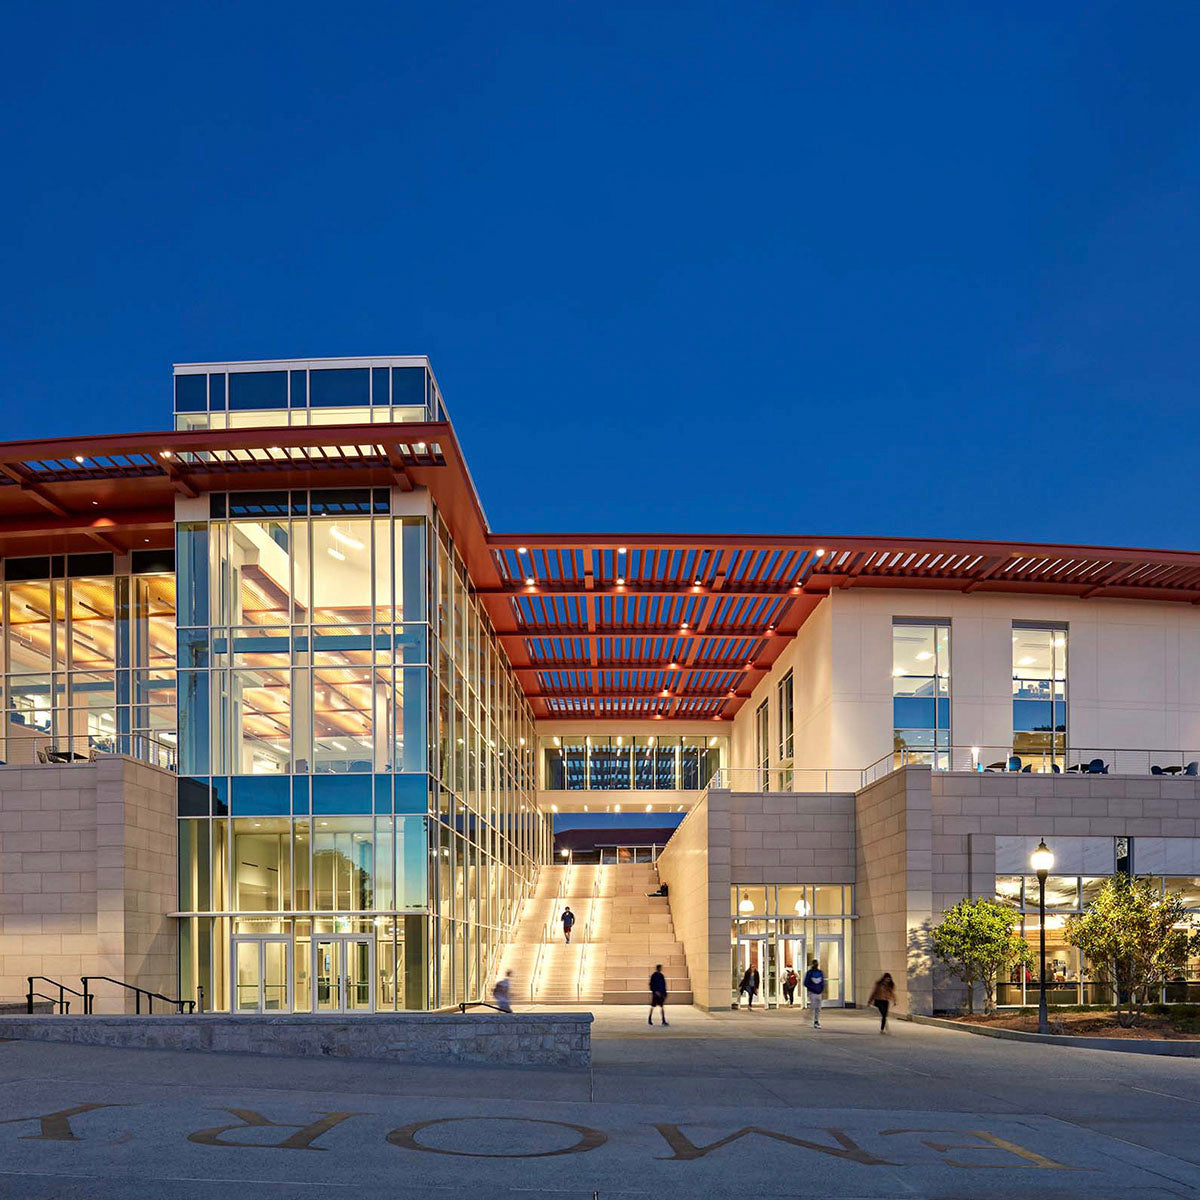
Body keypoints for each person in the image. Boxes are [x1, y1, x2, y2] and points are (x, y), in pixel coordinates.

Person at [803, 958, 826, 1027]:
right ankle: (809, 1018)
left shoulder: (820, 972)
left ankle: (816, 1021)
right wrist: (812, 989)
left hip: (818, 992)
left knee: (818, 1008)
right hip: (812, 992)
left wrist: (821, 989)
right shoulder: (809, 973)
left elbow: (822, 982)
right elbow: (806, 983)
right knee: (813, 1006)